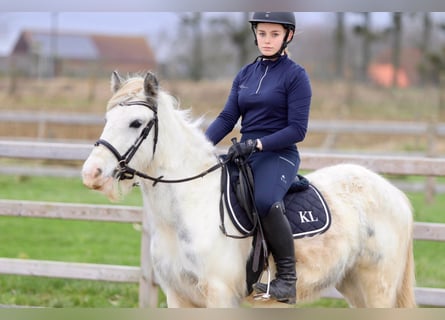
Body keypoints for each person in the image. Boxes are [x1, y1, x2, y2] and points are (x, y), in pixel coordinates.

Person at [205, 12, 312, 304]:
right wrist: (199, 146)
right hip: (246, 153)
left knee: (264, 200)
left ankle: (287, 279)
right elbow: (228, 116)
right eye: (262, 33)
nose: (267, 40)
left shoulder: (296, 75)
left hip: (279, 153)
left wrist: (259, 144)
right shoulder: (245, 74)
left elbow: (298, 129)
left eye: (274, 34)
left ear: (287, 36)